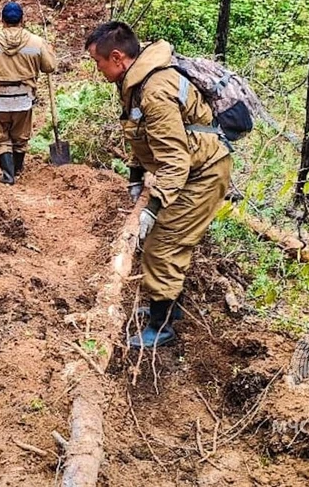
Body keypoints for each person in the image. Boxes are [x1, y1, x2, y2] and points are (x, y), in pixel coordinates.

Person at [85, 21, 232, 349]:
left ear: (118, 57)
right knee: (163, 241)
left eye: (98, 62)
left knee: (162, 245)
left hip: (203, 173)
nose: (97, 69)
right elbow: (143, 137)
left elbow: (175, 161)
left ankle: (162, 326)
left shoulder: (155, 90)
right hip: (190, 169)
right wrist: (137, 178)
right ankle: (166, 309)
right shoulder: (134, 82)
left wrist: (152, 207)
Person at [0, 1, 57, 184]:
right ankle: (17, 169)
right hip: (24, 97)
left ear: (1, 20)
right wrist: (48, 50)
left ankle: (8, 174)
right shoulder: (36, 41)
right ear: (22, 20)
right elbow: (50, 66)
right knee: (20, 135)